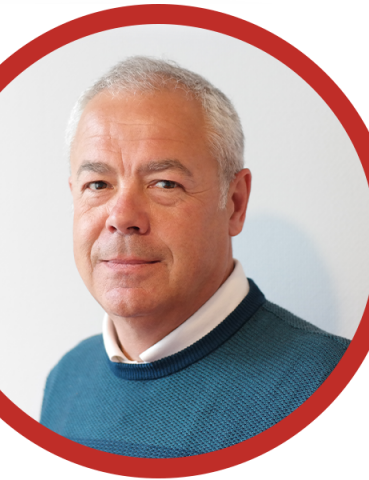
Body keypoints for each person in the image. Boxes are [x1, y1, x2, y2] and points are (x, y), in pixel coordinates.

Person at [40, 56, 350, 458]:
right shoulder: (67, 380)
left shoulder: (324, 383)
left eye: (165, 184)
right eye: (98, 184)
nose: (122, 217)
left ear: (235, 203)